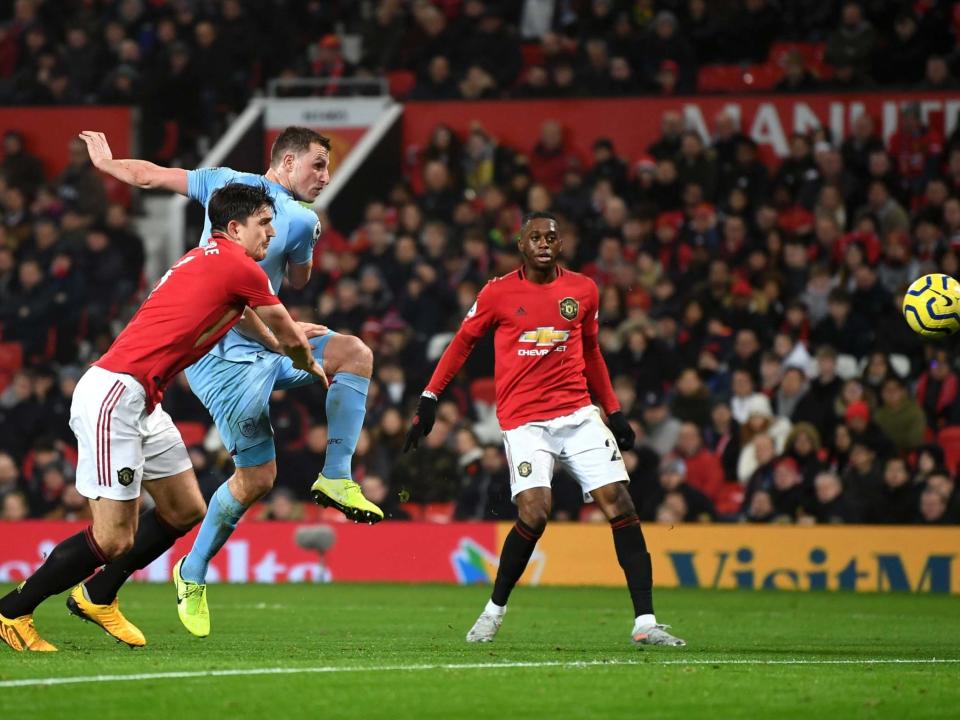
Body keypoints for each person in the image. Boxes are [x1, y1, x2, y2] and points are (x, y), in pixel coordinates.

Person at [78, 128, 381, 638]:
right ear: (286, 162)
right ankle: (187, 573)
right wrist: (106, 163)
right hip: (219, 360)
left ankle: (336, 475)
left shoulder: (279, 209)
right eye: (318, 165)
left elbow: (149, 175)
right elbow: (294, 281)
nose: (325, 177)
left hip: (267, 339)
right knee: (256, 475)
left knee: (355, 353)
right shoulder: (249, 196)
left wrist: (109, 164)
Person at [0, 183, 323, 652]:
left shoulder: (211, 257)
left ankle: (98, 595)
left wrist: (279, 341)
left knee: (184, 509)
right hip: (114, 394)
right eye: (264, 223)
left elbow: (246, 313)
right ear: (235, 227)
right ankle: (13, 611)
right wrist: (308, 361)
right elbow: (282, 329)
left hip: (143, 398)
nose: (272, 233)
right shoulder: (237, 264)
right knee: (112, 538)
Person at [403, 212, 684, 648]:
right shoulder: (497, 293)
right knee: (535, 511)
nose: (543, 242)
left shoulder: (584, 290)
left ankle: (645, 622)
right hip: (524, 421)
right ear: (521, 245)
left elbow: (591, 351)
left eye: (551, 236)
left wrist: (613, 410)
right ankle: (493, 613)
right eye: (534, 237)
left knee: (621, 504)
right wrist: (429, 398)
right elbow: (462, 343)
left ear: (561, 243)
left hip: (577, 414)